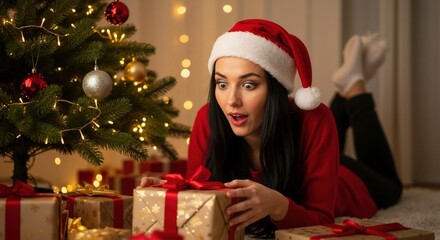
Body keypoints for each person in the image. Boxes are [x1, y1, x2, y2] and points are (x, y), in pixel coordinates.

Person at [140, 19, 402, 238]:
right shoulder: (208, 119)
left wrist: (279, 206)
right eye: (222, 84)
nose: (232, 101)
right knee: (317, 121)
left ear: (275, 90)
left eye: (249, 85)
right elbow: (202, 196)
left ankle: (354, 86)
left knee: (392, 187)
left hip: (347, 182)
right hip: (308, 150)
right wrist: (172, 195)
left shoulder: (315, 121)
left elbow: (321, 219)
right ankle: (347, 87)